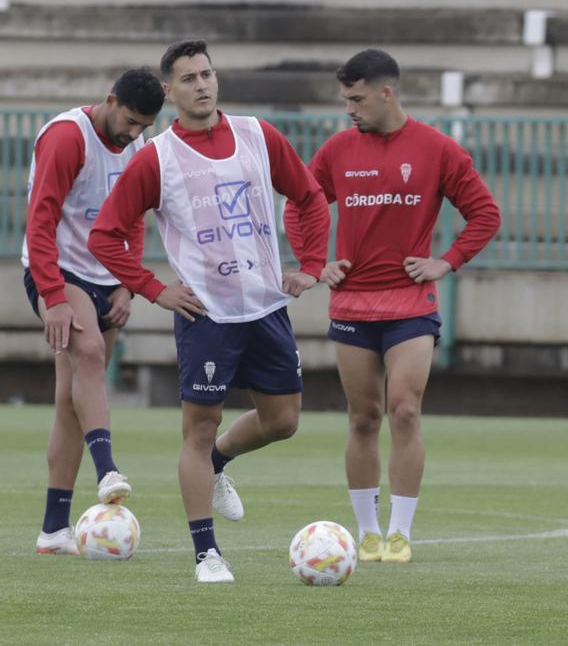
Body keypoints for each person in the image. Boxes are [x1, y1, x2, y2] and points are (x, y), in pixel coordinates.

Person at [88, 39, 331, 582]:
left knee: (284, 421)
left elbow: (310, 197)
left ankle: (219, 465)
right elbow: (105, 236)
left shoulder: (257, 135)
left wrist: (311, 265)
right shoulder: (156, 157)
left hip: (266, 307)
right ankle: (207, 554)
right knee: (198, 429)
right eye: (189, 78)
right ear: (169, 91)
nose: (202, 84)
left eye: (207, 73)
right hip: (205, 315)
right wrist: (154, 289)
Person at [283, 48, 500, 563]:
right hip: (353, 304)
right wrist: (316, 263)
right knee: (363, 417)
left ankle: (401, 533)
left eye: (356, 98)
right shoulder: (337, 150)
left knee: (404, 409)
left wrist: (446, 261)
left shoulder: (436, 149)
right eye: (344, 99)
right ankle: (368, 532)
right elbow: (302, 204)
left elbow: (484, 214)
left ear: (386, 93)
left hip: (410, 304)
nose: (348, 109)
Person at [24, 68, 164, 555]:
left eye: (144, 125)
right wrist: (54, 297)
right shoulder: (67, 138)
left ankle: (53, 530)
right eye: (129, 121)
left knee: (70, 400)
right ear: (110, 100)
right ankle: (107, 470)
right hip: (59, 271)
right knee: (87, 355)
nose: (133, 133)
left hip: (108, 278)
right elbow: (40, 222)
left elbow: (136, 218)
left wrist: (128, 284)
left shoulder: (139, 148)